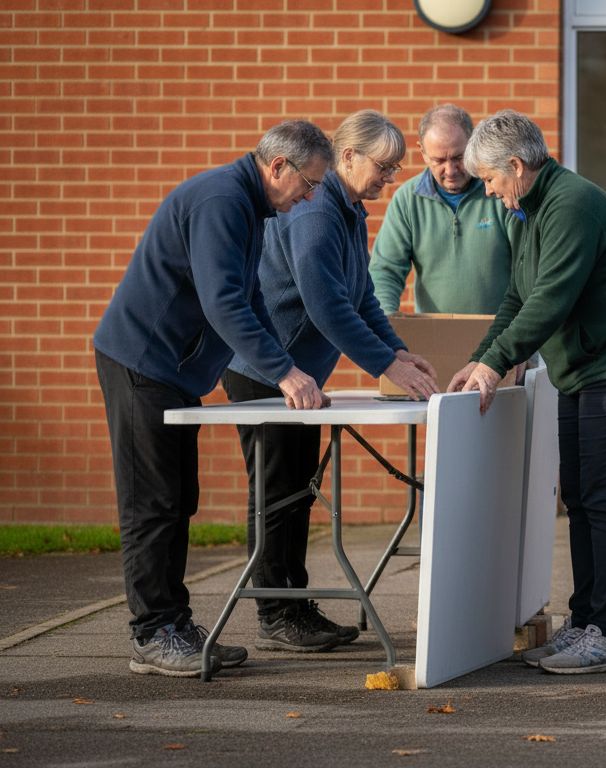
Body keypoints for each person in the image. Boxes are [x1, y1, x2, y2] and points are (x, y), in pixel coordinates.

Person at [93, 121, 334, 677]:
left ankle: (174, 624)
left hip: (172, 371)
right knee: (152, 503)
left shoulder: (250, 207)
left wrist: (284, 366)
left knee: (179, 498)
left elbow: (248, 297)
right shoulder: (222, 200)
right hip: (140, 362)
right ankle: (153, 634)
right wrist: (286, 374)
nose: (311, 195)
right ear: (277, 167)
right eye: (309, 182)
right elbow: (223, 302)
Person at [447, 110, 606, 675]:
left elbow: (551, 298)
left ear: (517, 167)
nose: (493, 194)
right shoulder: (526, 209)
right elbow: (517, 298)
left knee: (603, 493)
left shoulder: (571, 205)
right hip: (584, 366)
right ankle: (586, 620)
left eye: (493, 181)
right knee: (578, 495)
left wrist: (497, 364)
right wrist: (482, 357)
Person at [221, 110, 439, 653]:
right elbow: (326, 306)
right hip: (264, 371)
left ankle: (294, 604)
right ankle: (275, 611)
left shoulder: (348, 211)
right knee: (275, 495)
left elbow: (362, 296)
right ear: (347, 157)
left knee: (295, 493)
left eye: (394, 170)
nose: (388, 179)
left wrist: (399, 354)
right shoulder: (316, 211)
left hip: (299, 377)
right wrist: (387, 366)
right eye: (383, 167)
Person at [369, 103, 514, 315]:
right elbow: (385, 272)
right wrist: (387, 322)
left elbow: (528, 266)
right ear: (422, 152)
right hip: (436, 336)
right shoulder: (408, 200)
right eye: (439, 160)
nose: (450, 170)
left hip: (501, 335)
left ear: (473, 144)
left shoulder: (500, 192)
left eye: (458, 157)